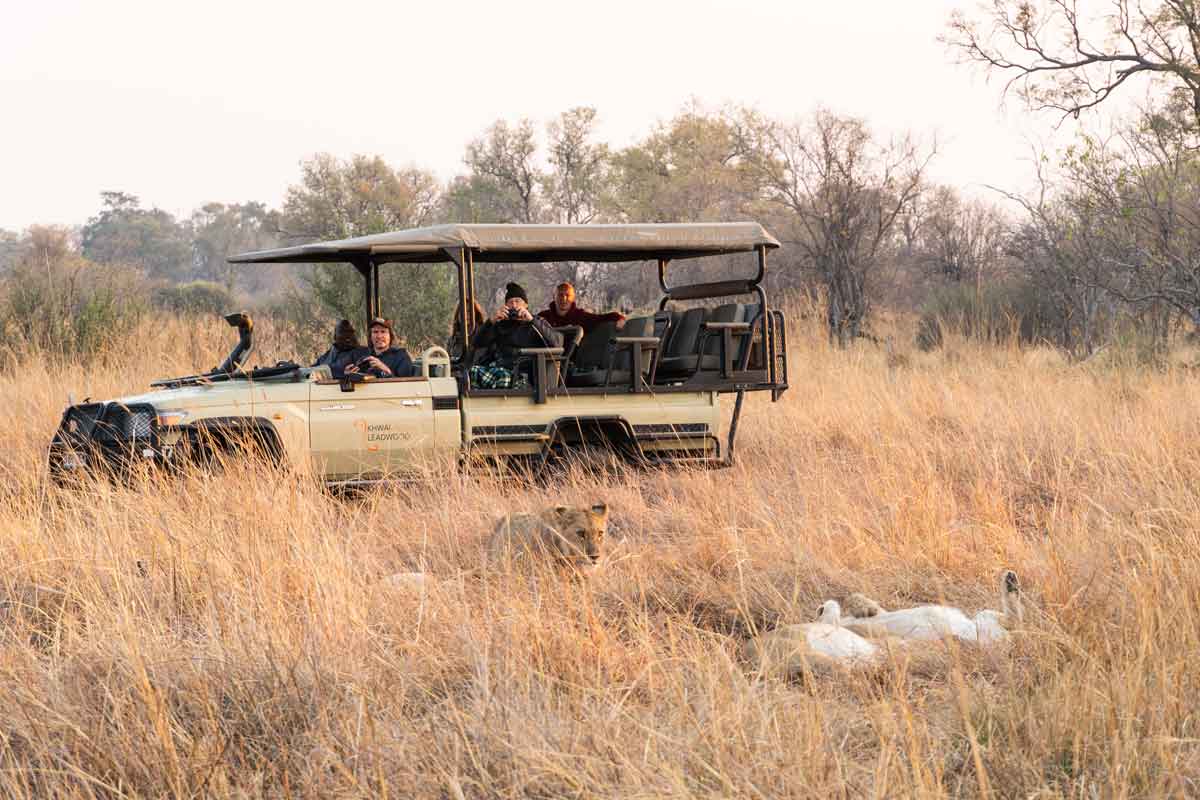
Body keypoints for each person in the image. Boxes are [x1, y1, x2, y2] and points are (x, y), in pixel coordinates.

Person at [469, 282, 563, 389]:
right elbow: (476, 343)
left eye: (517, 301)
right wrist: (491, 321)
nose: (514, 305)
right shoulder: (500, 325)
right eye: (510, 302)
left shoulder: (536, 322)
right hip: (500, 368)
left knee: (503, 377)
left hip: (524, 375)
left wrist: (532, 320)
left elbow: (557, 342)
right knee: (472, 372)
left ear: (526, 305)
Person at [537, 282, 625, 334]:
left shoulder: (581, 316)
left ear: (573, 298)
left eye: (567, 295)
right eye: (560, 295)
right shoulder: (543, 317)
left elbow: (602, 318)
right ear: (554, 297)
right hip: (546, 359)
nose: (564, 298)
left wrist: (620, 318)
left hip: (573, 362)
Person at [344, 317, 414, 379]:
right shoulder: (364, 357)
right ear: (370, 336)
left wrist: (384, 369)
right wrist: (348, 375)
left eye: (383, 332)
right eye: (375, 332)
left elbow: (406, 386)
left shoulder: (401, 356)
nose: (379, 336)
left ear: (390, 336)